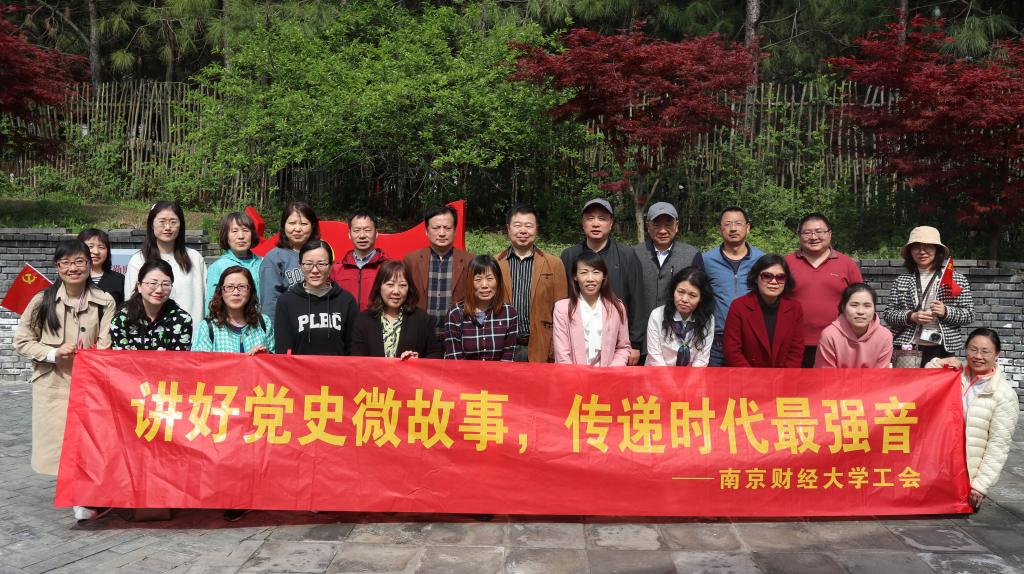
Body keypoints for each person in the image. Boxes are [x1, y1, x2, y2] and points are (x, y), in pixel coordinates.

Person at [13, 240, 116, 520]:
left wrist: (94, 358)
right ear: (57, 267)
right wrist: (52, 352)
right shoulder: (42, 300)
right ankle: (78, 496)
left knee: (89, 441)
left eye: (79, 262)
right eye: (66, 263)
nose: (73, 268)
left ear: (90, 265)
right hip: (54, 383)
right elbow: (22, 341)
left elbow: (106, 343)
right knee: (61, 443)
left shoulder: (104, 301)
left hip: (91, 384)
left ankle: (83, 497)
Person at [927, 328, 1020, 510]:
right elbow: (922, 380)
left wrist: (980, 485)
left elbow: (998, 445)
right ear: (965, 349)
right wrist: (939, 362)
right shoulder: (955, 372)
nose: (978, 356)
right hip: (936, 463)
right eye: (973, 349)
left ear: (997, 355)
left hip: (966, 473)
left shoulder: (1004, 395)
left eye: (985, 351)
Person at [559, 198, 644, 365]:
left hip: (616, 342)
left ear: (611, 223)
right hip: (577, 341)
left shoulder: (627, 255)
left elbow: (637, 297)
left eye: (602, 218)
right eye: (590, 218)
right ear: (583, 223)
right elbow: (563, 298)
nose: (596, 224)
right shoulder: (569, 255)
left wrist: (635, 343)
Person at [882, 226, 975, 367]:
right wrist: (911, 316)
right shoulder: (901, 280)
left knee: (938, 382)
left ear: (937, 250)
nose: (922, 251)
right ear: (910, 251)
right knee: (907, 381)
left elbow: (969, 315)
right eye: (916, 247)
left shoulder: (956, 279)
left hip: (942, 347)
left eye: (928, 247)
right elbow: (889, 315)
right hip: (907, 346)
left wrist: (946, 312)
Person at [785, 213, 864, 367]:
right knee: (795, 382)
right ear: (799, 235)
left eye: (819, 232)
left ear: (829, 233)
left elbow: (861, 300)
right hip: (794, 343)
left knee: (833, 382)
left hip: (838, 341)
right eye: (807, 232)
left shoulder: (847, 264)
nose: (813, 237)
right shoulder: (786, 263)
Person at [693, 207, 765, 366]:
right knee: (714, 382)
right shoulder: (705, 260)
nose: (733, 228)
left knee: (750, 382)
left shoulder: (762, 260)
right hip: (717, 342)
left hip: (752, 340)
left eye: (738, 223)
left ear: (748, 227)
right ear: (720, 229)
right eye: (727, 224)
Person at [496, 204, 568, 362]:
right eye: (517, 225)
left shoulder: (554, 264)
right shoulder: (495, 263)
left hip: (541, 346)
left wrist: (554, 349)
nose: (523, 231)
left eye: (529, 226)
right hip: (503, 347)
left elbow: (562, 311)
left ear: (536, 229)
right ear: (508, 228)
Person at [632, 202, 700, 363]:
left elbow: (699, 297)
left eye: (668, 224)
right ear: (648, 226)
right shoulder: (634, 254)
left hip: (678, 344)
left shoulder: (692, 255)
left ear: (677, 225)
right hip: (640, 342)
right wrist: (632, 341)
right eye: (657, 224)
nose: (663, 230)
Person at [124, 201, 207, 326]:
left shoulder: (194, 258)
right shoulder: (139, 260)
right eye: (162, 222)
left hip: (191, 334)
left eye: (173, 222)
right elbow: (131, 302)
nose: (168, 227)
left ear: (181, 225)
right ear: (152, 225)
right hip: (149, 334)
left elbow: (206, 298)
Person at [274, 240, 359, 356]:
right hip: (299, 368)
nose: (314, 270)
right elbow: (282, 349)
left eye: (321, 264)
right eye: (308, 264)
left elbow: (353, 348)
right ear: (300, 266)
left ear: (330, 266)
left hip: (338, 367)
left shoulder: (346, 301)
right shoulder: (286, 301)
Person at [403, 205, 474, 340]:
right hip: (420, 336)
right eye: (436, 228)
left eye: (447, 228)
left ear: (455, 230)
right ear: (426, 231)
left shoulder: (469, 261)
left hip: (457, 336)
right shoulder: (411, 260)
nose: (442, 233)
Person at [723, 254, 804, 368]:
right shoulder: (739, 307)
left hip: (783, 376)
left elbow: (796, 351)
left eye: (780, 277)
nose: (774, 282)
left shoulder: (794, 308)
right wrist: (753, 376)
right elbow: (732, 351)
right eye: (767, 276)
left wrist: (784, 376)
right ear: (756, 278)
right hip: (746, 375)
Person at [351, 261, 444, 359]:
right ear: (379, 287)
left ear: (409, 288)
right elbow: (356, 358)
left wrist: (418, 360)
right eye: (390, 284)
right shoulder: (364, 319)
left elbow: (435, 353)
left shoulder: (422, 319)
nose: (396, 291)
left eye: (402, 285)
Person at [552, 252, 631, 367]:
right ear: (575, 276)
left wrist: (611, 371)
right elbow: (561, 353)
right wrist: (575, 375)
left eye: (596, 272)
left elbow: (623, 347)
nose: (590, 278)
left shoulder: (616, 307)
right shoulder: (562, 308)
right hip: (574, 374)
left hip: (608, 374)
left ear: (604, 275)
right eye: (584, 273)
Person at [444, 255, 518, 361]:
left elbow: (508, 357)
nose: (484, 285)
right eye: (478, 279)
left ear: (498, 281)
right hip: (463, 371)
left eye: (490, 279)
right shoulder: (455, 313)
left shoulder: (509, 313)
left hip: (499, 371)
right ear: (469, 282)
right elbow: (454, 358)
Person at [110, 259, 193, 351]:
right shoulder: (121, 319)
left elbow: (181, 358)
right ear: (139, 286)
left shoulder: (182, 320)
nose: (159, 290)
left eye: (166, 284)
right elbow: (121, 357)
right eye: (153, 283)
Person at [260, 201, 320, 323]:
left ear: (313, 226)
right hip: (289, 325)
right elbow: (270, 302)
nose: (297, 229)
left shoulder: (320, 254)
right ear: (284, 225)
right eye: (292, 223)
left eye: (304, 224)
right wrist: (273, 330)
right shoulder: (274, 258)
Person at [193, 266, 274, 355]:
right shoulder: (207, 327)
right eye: (229, 287)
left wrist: (267, 355)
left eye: (242, 286)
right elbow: (199, 361)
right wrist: (245, 359)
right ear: (221, 292)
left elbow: (275, 360)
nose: (236, 293)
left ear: (250, 291)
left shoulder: (264, 323)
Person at [645, 267, 715, 367]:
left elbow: (702, 359)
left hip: (692, 374)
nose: (684, 299)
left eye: (692, 295)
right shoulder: (657, 315)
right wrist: (667, 377)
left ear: (701, 298)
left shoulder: (708, 319)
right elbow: (655, 357)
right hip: (659, 372)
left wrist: (690, 377)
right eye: (681, 292)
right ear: (674, 290)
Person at [814, 283, 893, 368]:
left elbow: (881, 374)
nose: (861, 311)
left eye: (867, 306)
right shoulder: (829, 335)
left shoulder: (884, 336)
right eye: (854, 305)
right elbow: (826, 373)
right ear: (843, 307)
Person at [204, 212, 263, 313]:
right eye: (234, 231)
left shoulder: (263, 263)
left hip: (260, 320)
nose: (241, 236)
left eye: (245, 230)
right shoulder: (218, 267)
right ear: (226, 236)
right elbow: (211, 304)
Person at [330, 211, 388, 311]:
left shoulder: (387, 267)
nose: (362, 235)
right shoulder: (336, 270)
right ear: (349, 234)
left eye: (367, 230)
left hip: (376, 320)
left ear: (376, 233)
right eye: (356, 230)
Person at [78, 228, 125, 306]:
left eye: (101, 247)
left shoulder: (120, 279)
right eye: (90, 246)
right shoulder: (70, 277)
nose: (96, 252)